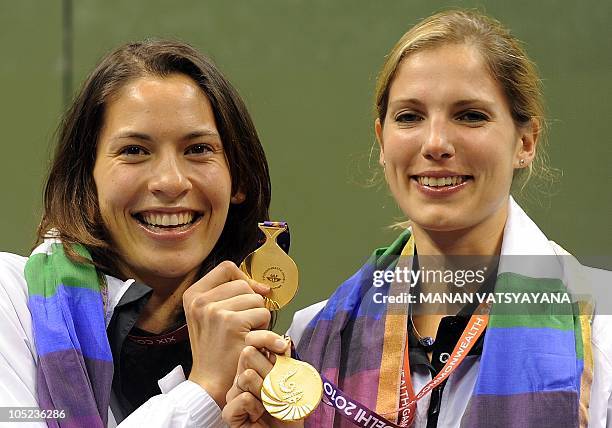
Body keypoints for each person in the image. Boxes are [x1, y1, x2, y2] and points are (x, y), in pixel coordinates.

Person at [222, 9, 612, 428]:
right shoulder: (314, 337)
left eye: (470, 115)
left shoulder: (601, 327)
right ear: (382, 140)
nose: (436, 143)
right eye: (409, 117)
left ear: (525, 141)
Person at [0, 39, 274, 427]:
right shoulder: (11, 302)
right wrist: (203, 392)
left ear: (238, 180)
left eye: (197, 148)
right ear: (87, 179)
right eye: (134, 150)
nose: (170, 181)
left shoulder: (264, 358)